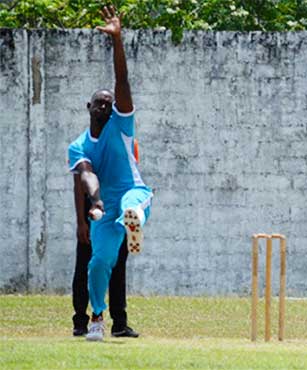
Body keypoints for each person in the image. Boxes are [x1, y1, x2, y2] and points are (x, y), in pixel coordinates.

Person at [67, 5, 153, 341]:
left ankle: (134, 223)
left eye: (109, 102)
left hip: (132, 191)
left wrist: (118, 40)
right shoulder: (79, 145)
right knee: (98, 264)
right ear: (89, 108)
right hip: (104, 206)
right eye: (99, 102)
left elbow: (122, 79)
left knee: (135, 205)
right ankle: (97, 319)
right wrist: (97, 203)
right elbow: (86, 175)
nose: (105, 105)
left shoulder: (122, 123)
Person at [72, 178, 139, 337]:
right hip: (94, 213)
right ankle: (81, 322)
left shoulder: (127, 155)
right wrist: (81, 222)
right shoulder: (86, 155)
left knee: (118, 265)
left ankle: (119, 324)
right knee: (85, 265)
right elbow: (79, 185)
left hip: (117, 211)